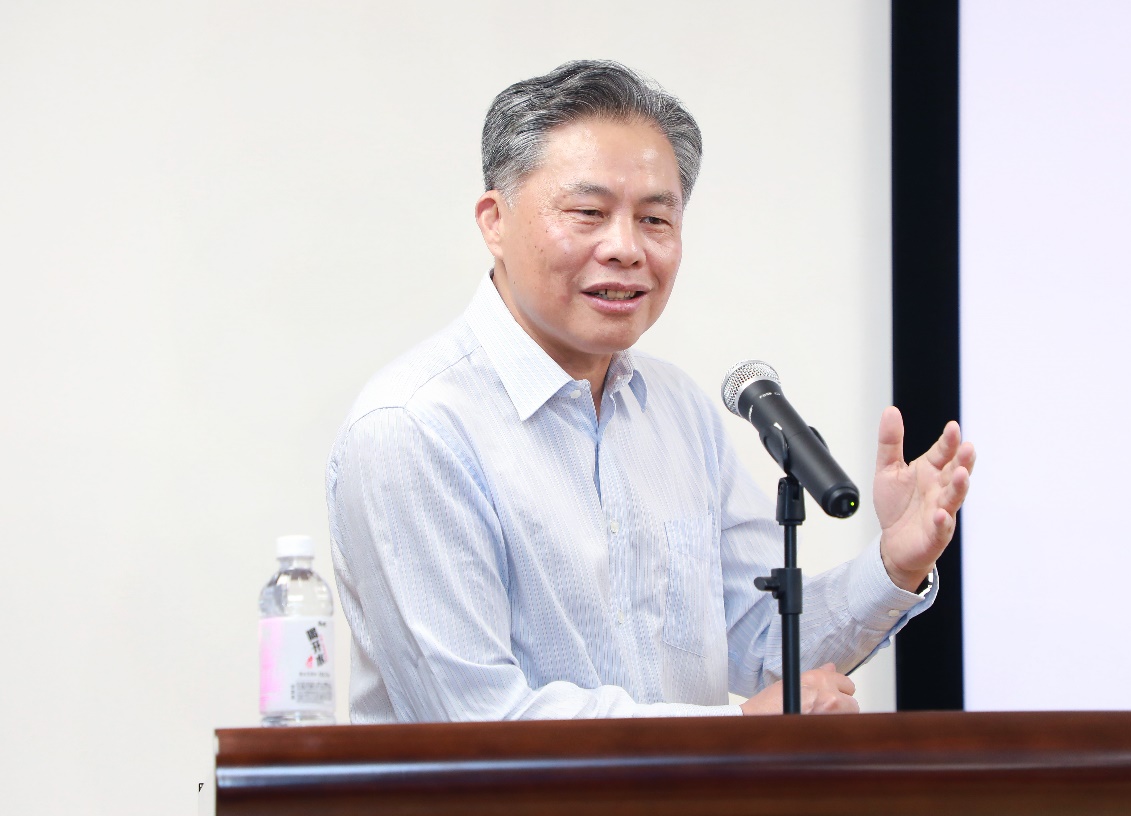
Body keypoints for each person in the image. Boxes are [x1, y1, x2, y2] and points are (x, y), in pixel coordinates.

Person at [326, 60, 974, 722]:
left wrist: (893, 565)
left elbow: (763, 641)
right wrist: (735, 734)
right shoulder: (413, 427)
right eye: (589, 213)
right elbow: (476, 719)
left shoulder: (677, 411)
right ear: (495, 221)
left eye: (655, 219)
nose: (626, 249)